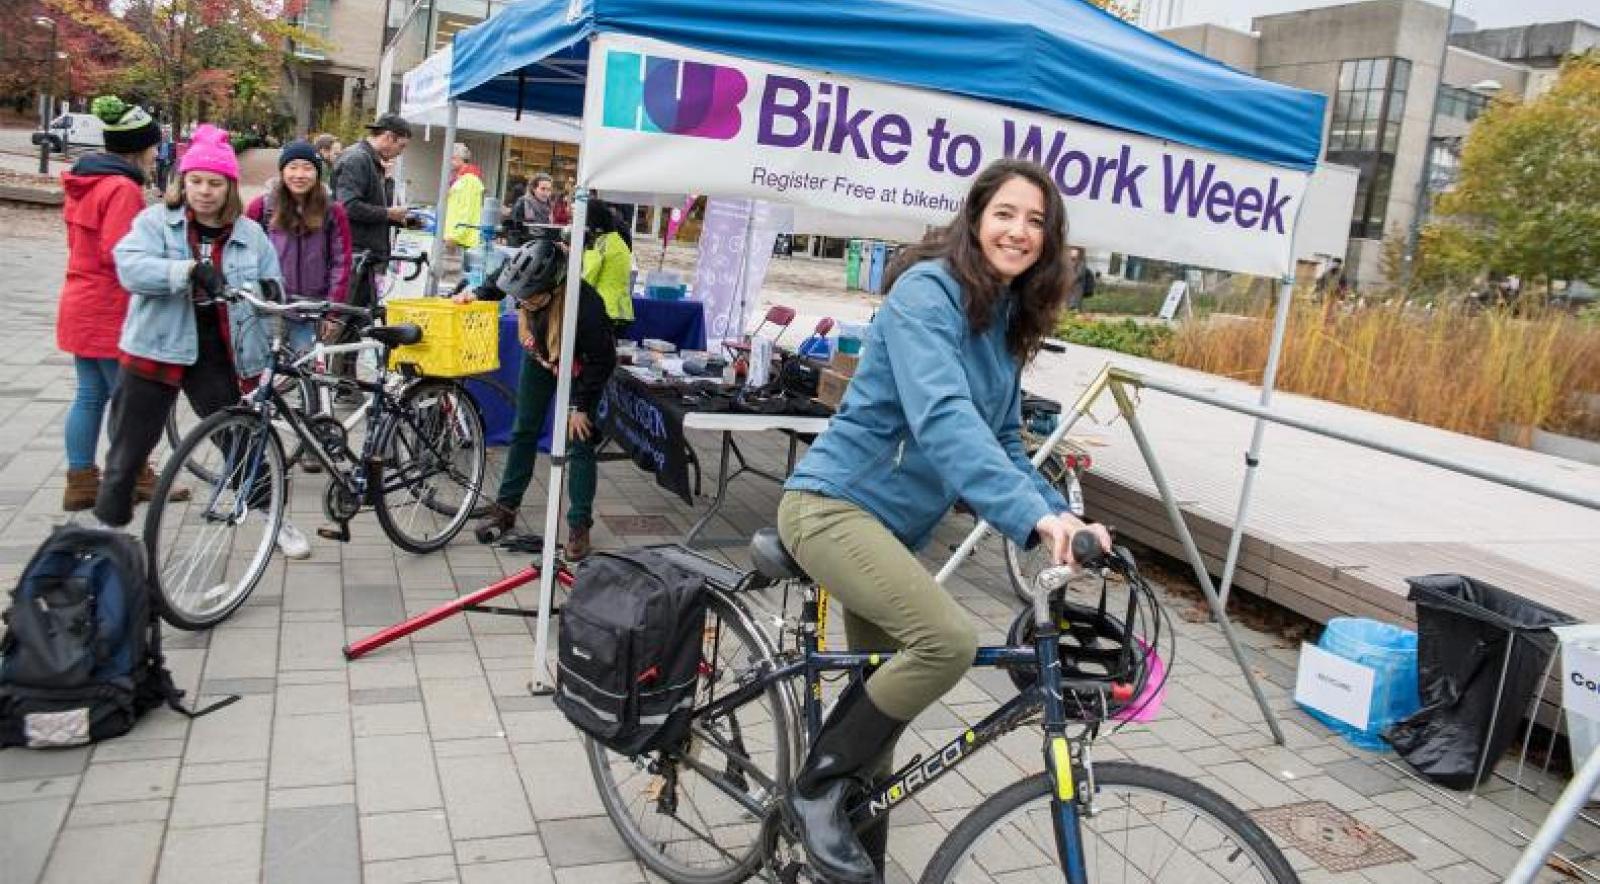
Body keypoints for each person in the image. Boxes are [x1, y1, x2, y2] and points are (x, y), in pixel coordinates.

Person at [776, 158, 1112, 884]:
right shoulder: (927, 294)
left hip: (888, 533)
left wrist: (1059, 514)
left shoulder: (1002, 320)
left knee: (884, 731)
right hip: (831, 506)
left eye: (1036, 222)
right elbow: (944, 421)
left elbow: (1003, 442)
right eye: (1006, 214)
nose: (1019, 231)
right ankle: (812, 793)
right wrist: (1027, 517)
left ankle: (854, 863)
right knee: (947, 642)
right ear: (975, 217)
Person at [94, 124, 313, 559]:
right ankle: (105, 539)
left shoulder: (250, 232)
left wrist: (272, 292)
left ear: (229, 187)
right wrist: (185, 273)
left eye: (215, 183)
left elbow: (271, 278)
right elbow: (130, 267)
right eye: (196, 181)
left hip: (216, 351)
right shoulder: (156, 221)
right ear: (183, 181)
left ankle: (271, 516)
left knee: (241, 440)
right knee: (128, 447)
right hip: (155, 346)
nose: (204, 192)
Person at [56, 95, 184, 512]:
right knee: (126, 399)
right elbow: (121, 254)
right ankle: (133, 476)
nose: (156, 154)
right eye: (153, 147)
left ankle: (80, 481)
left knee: (89, 394)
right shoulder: (121, 188)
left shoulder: (84, 179)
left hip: (78, 298)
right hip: (109, 307)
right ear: (140, 148)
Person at [457, 235, 616, 560]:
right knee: (524, 430)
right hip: (540, 357)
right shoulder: (527, 268)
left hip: (581, 364)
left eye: (532, 299)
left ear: (554, 287)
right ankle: (506, 506)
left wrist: (580, 407)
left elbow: (603, 360)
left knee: (580, 440)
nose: (524, 303)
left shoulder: (586, 306)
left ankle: (578, 525)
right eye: (522, 298)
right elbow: (503, 281)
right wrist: (475, 294)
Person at [245, 140, 353, 358]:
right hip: (269, 307)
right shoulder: (262, 207)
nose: (299, 175)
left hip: (310, 309)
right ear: (282, 171)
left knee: (306, 373)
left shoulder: (333, 211)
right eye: (293, 167)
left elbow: (341, 263)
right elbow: (244, 255)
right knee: (262, 375)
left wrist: (331, 311)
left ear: (317, 173)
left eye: (307, 168)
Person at [332, 113, 411, 309]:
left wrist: (395, 218)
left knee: (359, 318)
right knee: (347, 317)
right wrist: (388, 214)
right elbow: (348, 206)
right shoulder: (357, 159)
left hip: (365, 258)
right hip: (355, 257)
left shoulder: (372, 162)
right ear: (388, 137)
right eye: (401, 146)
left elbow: (369, 205)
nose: (400, 153)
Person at [582, 198, 635, 335]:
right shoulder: (618, 241)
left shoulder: (599, 244)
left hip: (602, 309)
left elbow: (587, 279)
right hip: (621, 310)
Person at [444, 142, 485, 261]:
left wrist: (455, 236)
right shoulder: (462, 179)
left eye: (449, 158)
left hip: (460, 240)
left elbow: (466, 210)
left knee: (452, 276)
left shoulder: (468, 180)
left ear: (457, 158)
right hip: (458, 238)